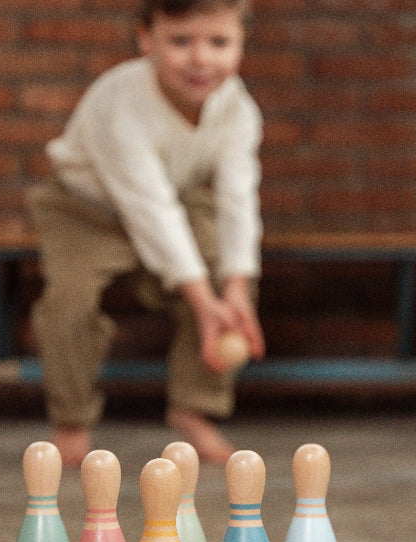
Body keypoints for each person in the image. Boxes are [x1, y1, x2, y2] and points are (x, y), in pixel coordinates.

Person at [27, 0, 263, 467]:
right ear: (146, 40)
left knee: (228, 278)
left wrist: (233, 286)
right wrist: (202, 302)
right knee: (69, 300)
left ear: (240, 43)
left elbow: (237, 200)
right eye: (181, 41)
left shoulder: (238, 108)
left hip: (174, 196)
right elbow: (148, 209)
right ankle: (71, 422)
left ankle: (193, 409)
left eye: (219, 42)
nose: (201, 59)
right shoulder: (121, 102)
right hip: (85, 207)